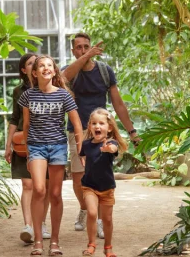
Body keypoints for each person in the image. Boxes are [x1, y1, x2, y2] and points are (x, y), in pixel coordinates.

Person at [62, 32, 139, 238]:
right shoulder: (70, 72)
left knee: (101, 176)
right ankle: (86, 209)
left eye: (86, 46)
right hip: (77, 130)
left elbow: (118, 104)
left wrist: (131, 131)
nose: (83, 50)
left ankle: (98, 220)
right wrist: (84, 59)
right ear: (73, 51)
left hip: (101, 130)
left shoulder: (105, 71)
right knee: (79, 177)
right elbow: (62, 79)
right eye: (79, 47)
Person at [18, 55, 83, 256]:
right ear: (34, 73)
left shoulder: (64, 95)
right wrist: (28, 152)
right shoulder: (28, 95)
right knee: (38, 189)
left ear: (54, 71)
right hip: (36, 147)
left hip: (57, 147)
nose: (46, 68)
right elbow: (26, 126)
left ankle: (54, 241)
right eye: (41, 66)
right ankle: (38, 240)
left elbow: (77, 125)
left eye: (49, 66)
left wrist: (81, 151)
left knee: (55, 194)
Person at [4, 53, 52, 243]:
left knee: (45, 187)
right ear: (24, 70)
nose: (35, 65)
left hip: (46, 142)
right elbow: (15, 118)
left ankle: (41, 222)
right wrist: (8, 146)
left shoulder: (50, 86)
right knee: (28, 184)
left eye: (37, 62)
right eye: (31, 63)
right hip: (24, 144)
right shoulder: (19, 91)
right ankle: (28, 226)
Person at [79, 108, 128, 257]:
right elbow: (83, 155)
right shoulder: (86, 144)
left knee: (107, 219)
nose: (97, 126)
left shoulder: (111, 142)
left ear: (109, 127)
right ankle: (91, 244)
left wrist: (107, 148)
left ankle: (108, 247)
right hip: (89, 186)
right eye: (94, 123)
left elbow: (113, 149)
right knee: (92, 213)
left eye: (101, 123)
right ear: (89, 127)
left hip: (107, 188)